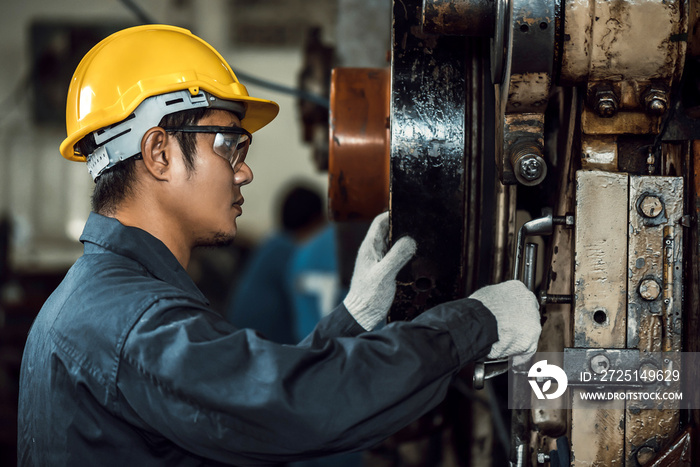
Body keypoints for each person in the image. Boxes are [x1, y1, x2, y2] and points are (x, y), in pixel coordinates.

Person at [17, 25, 541, 466]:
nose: (244, 170)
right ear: (159, 153)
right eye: (229, 145)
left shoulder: (99, 301)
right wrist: (478, 322)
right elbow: (298, 408)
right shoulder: (132, 322)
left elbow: (249, 399)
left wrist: (352, 318)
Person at [225, 184, 325, 344]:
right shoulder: (290, 252)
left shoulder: (274, 244)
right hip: (261, 345)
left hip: (244, 339)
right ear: (316, 220)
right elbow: (310, 309)